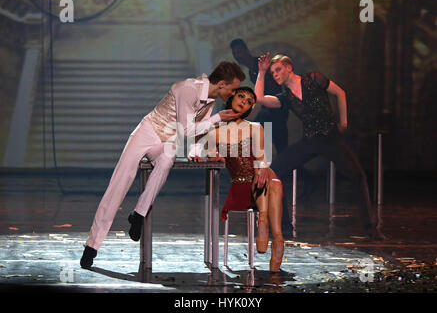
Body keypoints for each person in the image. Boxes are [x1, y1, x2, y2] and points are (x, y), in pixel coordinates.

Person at [80, 62, 246, 269]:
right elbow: (186, 129)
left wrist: (195, 152)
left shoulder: (210, 99)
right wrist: (218, 118)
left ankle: (139, 214)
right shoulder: (188, 88)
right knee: (119, 184)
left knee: (168, 158)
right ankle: (92, 246)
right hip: (148, 132)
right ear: (221, 84)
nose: (233, 93)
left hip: (167, 141)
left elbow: (198, 131)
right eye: (232, 89)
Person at [255, 53, 385, 240]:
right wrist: (262, 71)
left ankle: (370, 228)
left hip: (330, 138)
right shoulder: (286, 97)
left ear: (289, 67)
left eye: (278, 70)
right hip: (309, 141)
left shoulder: (314, 78)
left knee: (357, 175)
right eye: (272, 72)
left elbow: (340, 93)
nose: (274, 74)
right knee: (273, 173)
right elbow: (259, 98)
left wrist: (344, 122)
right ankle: (284, 227)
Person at [205, 87, 285, 272]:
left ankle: (268, 226)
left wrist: (261, 168)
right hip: (241, 183)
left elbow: (261, 157)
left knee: (271, 179)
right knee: (274, 183)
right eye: (241, 96)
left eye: (249, 101)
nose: (244, 101)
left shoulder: (255, 128)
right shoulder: (214, 131)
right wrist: (216, 156)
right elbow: (210, 154)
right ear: (232, 96)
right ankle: (275, 235)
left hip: (261, 176)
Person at [230, 39, 315, 201]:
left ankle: (302, 180)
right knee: (269, 149)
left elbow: (276, 89)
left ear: (246, 50)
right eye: (235, 53)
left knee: (280, 151)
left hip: (276, 113)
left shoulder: (261, 65)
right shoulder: (252, 71)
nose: (238, 56)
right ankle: (260, 185)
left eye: (239, 51)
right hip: (268, 113)